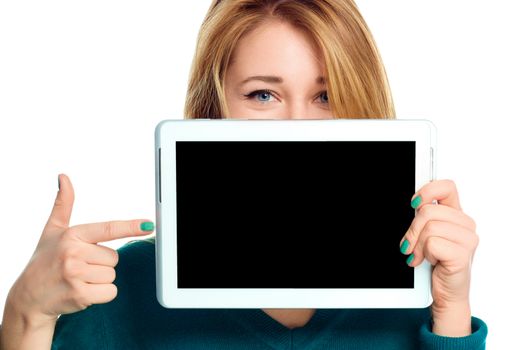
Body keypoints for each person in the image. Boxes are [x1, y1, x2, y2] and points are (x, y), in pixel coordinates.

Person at [0, 0, 488, 349]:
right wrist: (26, 314)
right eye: (262, 95)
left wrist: (450, 310)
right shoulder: (116, 288)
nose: (298, 126)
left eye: (326, 95)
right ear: (214, 109)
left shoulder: (417, 288)